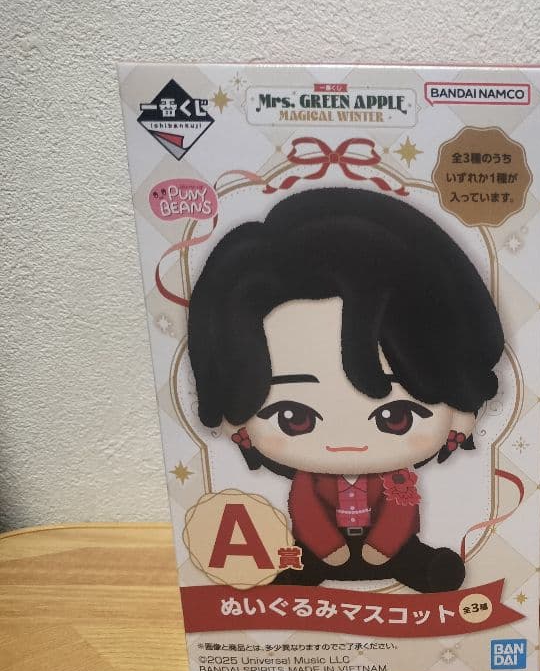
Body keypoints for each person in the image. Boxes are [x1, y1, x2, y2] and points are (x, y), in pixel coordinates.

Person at [188, 187, 504, 592]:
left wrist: (382, 547)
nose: (346, 444)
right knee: (300, 562)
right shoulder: (311, 483)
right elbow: (305, 509)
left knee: (416, 560)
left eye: (395, 417)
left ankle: (419, 568)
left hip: (390, 550)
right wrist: (329, 547)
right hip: (322, 550)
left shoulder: (397, 480)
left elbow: (400, 513)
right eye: (294, 418)